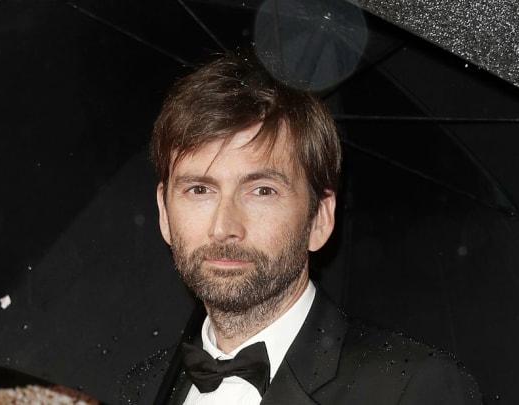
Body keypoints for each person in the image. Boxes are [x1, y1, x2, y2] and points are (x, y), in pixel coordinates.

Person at [120, 49, 482, 405]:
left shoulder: (414, 389)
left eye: (262, 191)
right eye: (199, 189)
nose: (224, 227)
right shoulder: (142, 390)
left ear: (319, 219)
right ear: (164, 214)